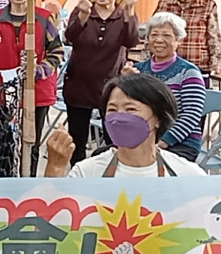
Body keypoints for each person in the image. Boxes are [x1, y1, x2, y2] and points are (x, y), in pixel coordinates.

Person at [0, 0, 64, 175]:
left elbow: (57, 53)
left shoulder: (44, 18)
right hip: (4, 93)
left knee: (31, 144)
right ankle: (4, 181)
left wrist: (38, 71)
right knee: (3, 143)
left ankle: (28, 182)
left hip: (38, 94)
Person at [45, 74, 205, 177]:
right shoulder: (87, 173)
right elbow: (54, 215)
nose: (119, 118)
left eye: (130, 109)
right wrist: (55, 167)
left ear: (158, 118)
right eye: (112, 110)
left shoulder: (187, 175)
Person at [63, 0, 140, 165]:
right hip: (79, 85)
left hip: (112, 86)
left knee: (113, 139)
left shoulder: (123, 13)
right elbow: (69, 37)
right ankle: (78, 175)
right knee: (77, 141)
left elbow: (131, 41)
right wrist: (82, 16)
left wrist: (129, 12)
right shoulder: (82, 10)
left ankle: (110, 175)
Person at [125, 12, 206, 162]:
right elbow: (126, 108)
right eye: (154, 35)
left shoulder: (188, 72)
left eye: (167, 35)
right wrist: (125, 83)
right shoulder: (138, 70)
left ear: (178, 40)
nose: (159, 40)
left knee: (147, 165)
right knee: (103, 156)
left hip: (180, 142)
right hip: (142, 139)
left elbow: (192, 114)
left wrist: (163, 142)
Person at [155, 0, 221, 81]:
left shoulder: (208, 4)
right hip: (167, 64)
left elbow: (214, 37)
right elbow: (153, 30)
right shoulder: (165, 2)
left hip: (198, 66)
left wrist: (215, 64)